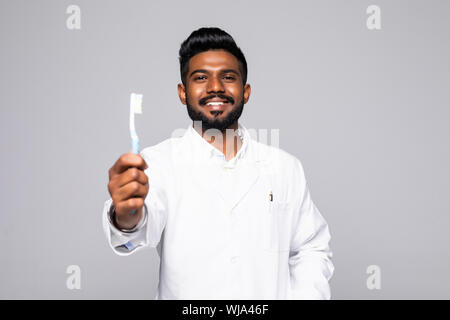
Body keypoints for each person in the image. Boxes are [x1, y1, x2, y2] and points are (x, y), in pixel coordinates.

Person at [103, 27, 334, 299]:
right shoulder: (158, 164)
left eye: (228, 77)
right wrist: (126, 214)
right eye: (201, 77)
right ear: (182, 92)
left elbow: (312, 247)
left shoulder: (285, 168)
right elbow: (133, 234)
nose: (215, 87)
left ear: (245, 91)